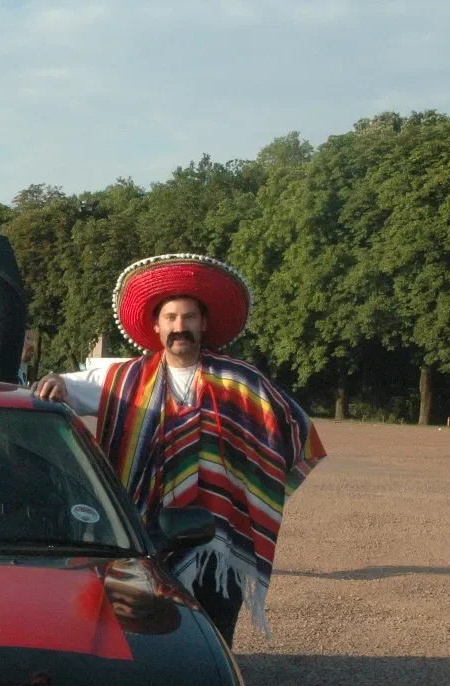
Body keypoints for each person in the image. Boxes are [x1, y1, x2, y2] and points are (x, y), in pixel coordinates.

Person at [34, 253, 324, 644]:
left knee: (215, 635)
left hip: (218, 540)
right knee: (142, 633)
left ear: (203, 324)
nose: (179, 326)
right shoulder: (124, 378)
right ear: (156, 326)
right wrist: (56, 380)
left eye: (188, 317)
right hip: (144, 536)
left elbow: (297, 432)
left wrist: (257, 490)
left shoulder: (240, 381)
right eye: (170, 318)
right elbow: (70, 386)